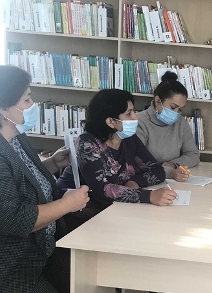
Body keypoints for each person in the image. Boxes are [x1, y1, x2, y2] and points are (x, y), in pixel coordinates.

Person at [0, 65, 89, 293]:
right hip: (2, 265)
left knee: (84, 289)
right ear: (4, 108)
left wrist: (52, 164)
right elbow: (14, 218)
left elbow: (23, 180)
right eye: (27, 99)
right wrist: (67, 204)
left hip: (39, 249)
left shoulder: (15, 137)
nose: (33, 105)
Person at [57, 88, 174, 223]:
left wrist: (135, 182)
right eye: (129, 113)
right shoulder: (87, 143)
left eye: (133, 111)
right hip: (79, 211)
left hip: (113, 207)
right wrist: (150, 196)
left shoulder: (128, 138)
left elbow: (157, 170)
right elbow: (102, 191)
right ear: (110, 122)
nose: (135, 117)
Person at [136, 71, 199, 182]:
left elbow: (193, 154)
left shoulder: (181, 122)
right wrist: (169, 172)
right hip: (146, 180)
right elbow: (138, 162)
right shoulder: (139, 121)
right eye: (173, 107)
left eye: (180, 109)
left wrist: (174, 164)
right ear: (157, 101)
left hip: (174, 181)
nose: (176, 113)